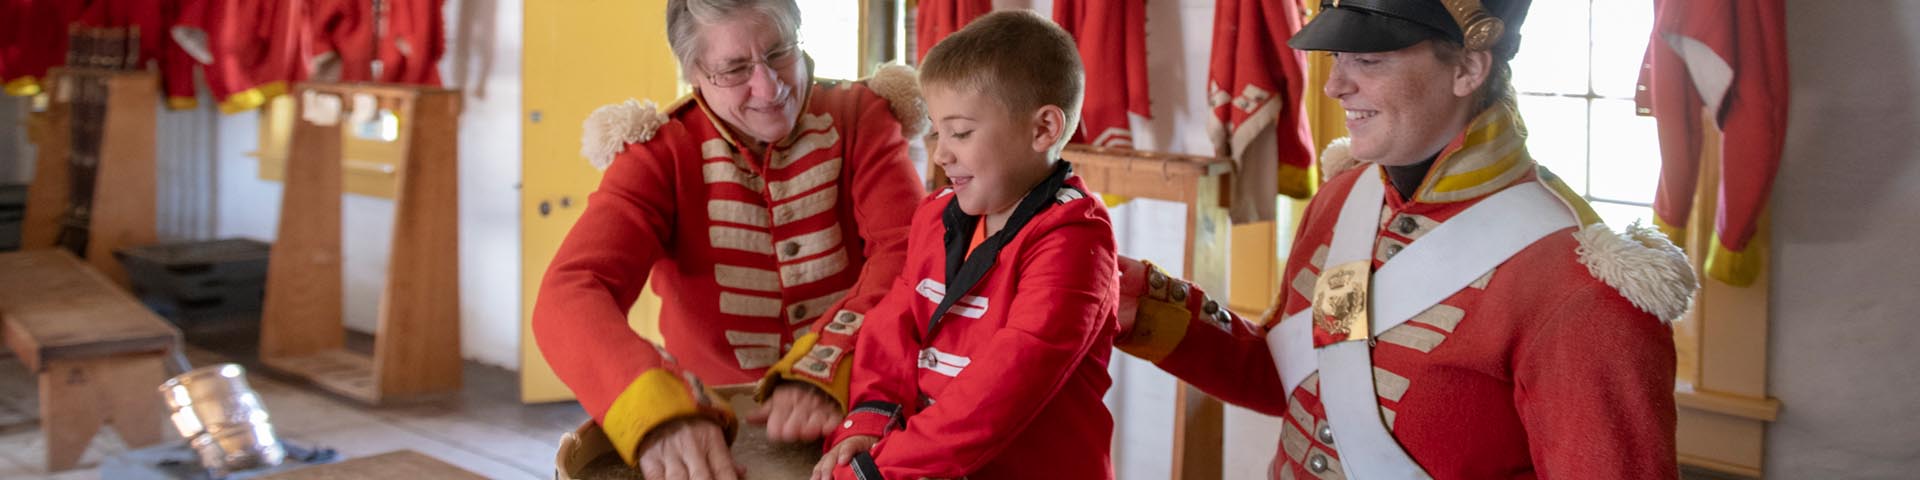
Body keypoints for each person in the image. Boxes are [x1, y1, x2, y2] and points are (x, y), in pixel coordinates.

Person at [1111, 0, 1698, 478]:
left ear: (1468, 69)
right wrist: (1145, 306)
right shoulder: (1346, 198)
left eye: (1367, 60)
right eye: (1338, 56)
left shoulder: (1582, 288)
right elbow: (1294, 380)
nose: (1335, 85)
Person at [533, 0, 929, 477]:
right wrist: (657, 408)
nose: (769, 86)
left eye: (780, 51)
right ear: (693, 73)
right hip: (714, 429)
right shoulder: (660, 153)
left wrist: (832, 362)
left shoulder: (859, 115)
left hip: (865, 402)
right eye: (735, 69)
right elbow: (571, 293)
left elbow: (910, 254)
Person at [811, 11, 1118, 480]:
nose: (940, 153)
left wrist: (878, 471)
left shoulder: (1076, 240)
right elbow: (896, 324)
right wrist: (870, 420)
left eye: (960, 132)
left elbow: (1003, 391)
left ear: (1043, 130)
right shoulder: (936, 212)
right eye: (937, 131)